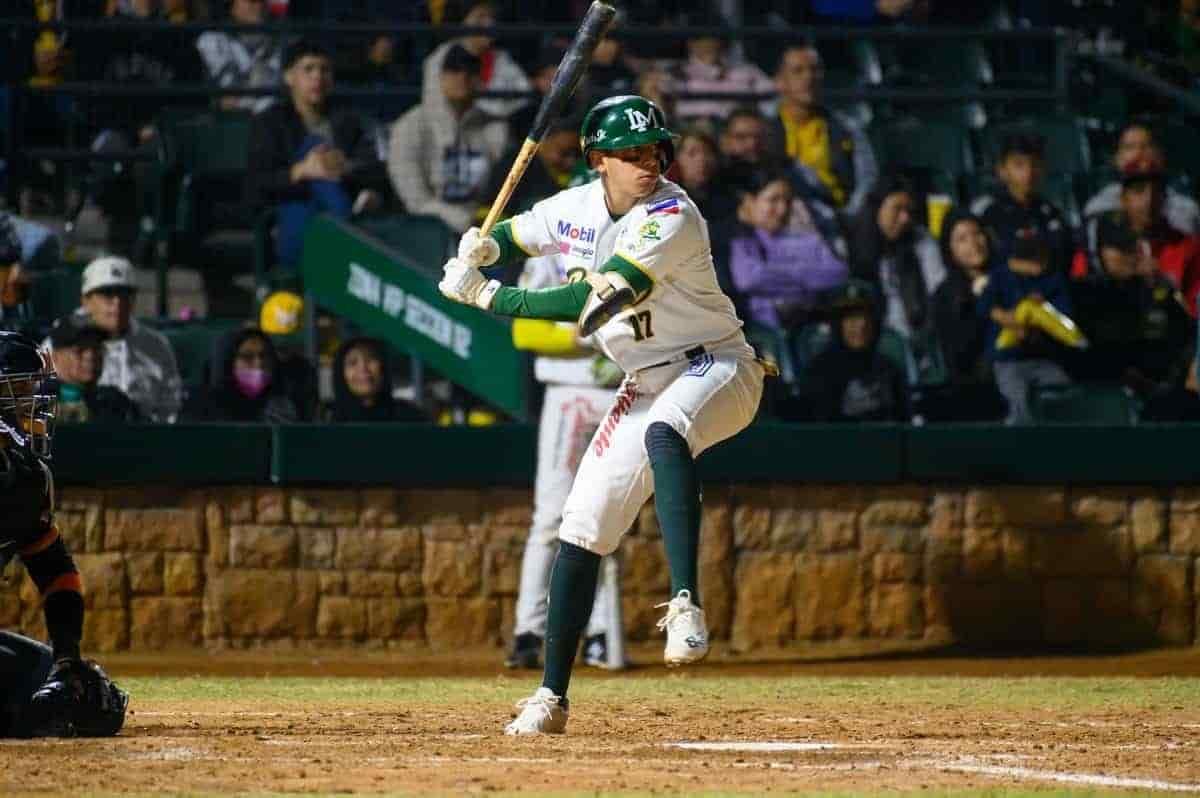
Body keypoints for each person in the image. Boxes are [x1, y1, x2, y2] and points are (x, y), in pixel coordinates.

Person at [438, 95, 769, 735]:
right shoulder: (574, 208)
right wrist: (483, 242)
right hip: (646, 378)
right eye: (631, 154)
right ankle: (551, 698)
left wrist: (490, 293)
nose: (647, 163)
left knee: (666, 430)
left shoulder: (672, 214)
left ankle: (685, 604)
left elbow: (594, 298)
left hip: (719, 366)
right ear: (598, 161)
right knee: (581, 526)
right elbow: (517, 232)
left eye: (653, 151)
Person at [0, 332, 128, 738]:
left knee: (83, 697)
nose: (31, 404)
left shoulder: (22, 477)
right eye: (18, 390)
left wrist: (66, 659)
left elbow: (55, 569)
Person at [505, 255, 627, 672]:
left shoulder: (631, 249)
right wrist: (585, 337)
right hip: (565, 391)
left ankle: (599, 633)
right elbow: (523, 330)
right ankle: (529, 632)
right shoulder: (548, 253)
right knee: (549, 519)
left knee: (604, 518)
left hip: (616, 393)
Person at [248, 39, 389, 270]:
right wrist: (302, 170)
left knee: (321, 160)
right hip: (290, 211)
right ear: (288, 77)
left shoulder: (347, 120)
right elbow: (257, 183)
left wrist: (345, 166)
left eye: (324, 70)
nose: (318, 77)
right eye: (308, 69)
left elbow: (372, 167)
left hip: (334, 204)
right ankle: (347, 227)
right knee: (313, 149)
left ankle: (342, 226)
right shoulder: (270, 122)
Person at [389, 43, 511, 233]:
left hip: (484, 228)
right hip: (424, 232)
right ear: (436, 75)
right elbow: (415, 200)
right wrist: (464, 220)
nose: (462, 77)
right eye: (453, 69)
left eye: (470, 70)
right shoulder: (409, 127)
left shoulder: (495, 127)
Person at [48, 256, 182, 423]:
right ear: (86, 300)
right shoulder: (61, 337)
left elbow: (170, 406)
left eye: (125, 295)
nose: (117, 303)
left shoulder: (157, 344)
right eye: (107, 295)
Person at [728, 165, 848, 330]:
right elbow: (748, 279)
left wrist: (771, 273)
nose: (783, 209)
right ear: (750, 202)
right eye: (773, 200)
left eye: (788, 200)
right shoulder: (742, 238)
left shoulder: (805, 237)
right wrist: (807, 277)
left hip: (808, 327)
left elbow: (837, 272)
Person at [1078, 156, 1200, 318]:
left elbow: (1194, 313)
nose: (1148, 200)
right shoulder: (1095, 246)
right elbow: (1078, 296)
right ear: (1123, 198)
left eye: (1157, 191)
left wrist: (1163, 284)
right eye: (1138, 190)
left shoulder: (1188, 246)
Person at [980, 230, 1076, 425]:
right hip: (1008, 359)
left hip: (1042, 357)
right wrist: (1008, 318)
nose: (1040, 266)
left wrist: (1041, 312)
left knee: (1063, 389)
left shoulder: (1051, 280)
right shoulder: (1000, 276)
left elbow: (1065, 319)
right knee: (1016, 399)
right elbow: (985, 306)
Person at [768, 43, 878, 213]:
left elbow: (867, 179)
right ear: (779, 82)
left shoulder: (847, 127)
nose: (809, 77)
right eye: (798, 71)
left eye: (815, 70)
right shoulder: (763, 129)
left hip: (839, 217)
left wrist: (848, 216)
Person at [928, 208, 1007, 421]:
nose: (974, 243)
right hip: (975, 394)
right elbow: (959, 357)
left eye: (977, 234)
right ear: (950, 250)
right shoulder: (945, 296)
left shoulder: (1009, 279)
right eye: (962, 239)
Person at [847, 174, 946, 342]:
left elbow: (938, 289)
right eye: (897, 208)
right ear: (878, 206)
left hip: (918, 336)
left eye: (909, 211)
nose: (905, 218)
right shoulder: (850, 243)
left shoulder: (919, 239)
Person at [800, 280, 907, 422]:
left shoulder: (889, 371)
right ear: (838, 324)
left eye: (866, 317)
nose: (861, 325)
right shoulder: (819, 372)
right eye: (851, 318)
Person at [971, 133, 1073, 274]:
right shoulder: (986, 210)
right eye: (1019, 165)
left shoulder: (1051, 212)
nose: (1029, 172)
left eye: (1035, 164)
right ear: (1002, 170)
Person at [1083, 120, 1200, 236]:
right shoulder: (1099, 208)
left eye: (1147, 146)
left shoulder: (1186, 209)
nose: (1139, 153)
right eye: (1130, 147)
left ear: (1161, 156)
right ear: (1116, 159)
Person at [419, 0, 531, 120]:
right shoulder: (439, 58)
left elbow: (524, 95)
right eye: (480, 17)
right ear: (462, 22)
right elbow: (434, 109)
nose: (489, 24)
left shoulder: (501, 58)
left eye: (491, 17)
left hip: (495, 132)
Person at [183, 327, 301, 422]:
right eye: (247, 357)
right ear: (227, 362)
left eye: (264, 356)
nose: (259, 363)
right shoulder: (200, 408)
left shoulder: (280, 408)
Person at [671, 24, 774, 124]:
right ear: (691, 43)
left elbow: (770, 103)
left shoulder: (747, 70)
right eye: (704, 38)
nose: (711, 43)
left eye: (717, 36)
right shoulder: (677, 72)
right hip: (692, 129)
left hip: (735, 129)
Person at [195, 0, 284, 113]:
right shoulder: (213, 40)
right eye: (251, 1)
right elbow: (228, 102)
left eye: (262, 1)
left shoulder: (281, 41)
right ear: (232, 7)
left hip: (275, 121)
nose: (258, 5)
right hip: (231, 123)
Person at [48, 320, 142, 424]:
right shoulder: (38, 403)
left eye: (97, 349)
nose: (91, 356)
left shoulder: (116, 403)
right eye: (79, 350)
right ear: (55, 357)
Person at [327, 336, 426, 422]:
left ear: (383, 367)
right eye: (352, 363)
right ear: (341, 374)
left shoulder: (411, 418)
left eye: (371, 359)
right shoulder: (328, 422)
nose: (363, 368)